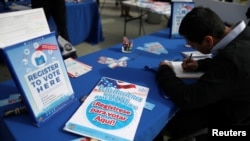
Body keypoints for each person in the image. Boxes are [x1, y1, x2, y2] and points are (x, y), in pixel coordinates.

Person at [155, 7, 250, 140]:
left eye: (193, 46)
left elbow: (189, 98)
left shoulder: (231, 60)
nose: (193, 48)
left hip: (232, 124)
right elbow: (237, 67)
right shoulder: (244, 36)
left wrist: (165, 70)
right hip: (241, 108)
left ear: (208, 40)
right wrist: (200, 65)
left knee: (168, 122)